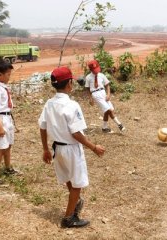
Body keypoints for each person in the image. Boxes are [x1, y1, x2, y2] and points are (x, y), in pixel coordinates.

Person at [39, 66, 105, 228]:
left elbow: (42, 126)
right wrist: (94, 147)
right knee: (77, 184)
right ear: (69, 83)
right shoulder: (72, 105)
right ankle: (69, 218)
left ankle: (74, 202)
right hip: (71, 149)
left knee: (69, 177)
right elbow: (76, 133)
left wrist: (46, 149)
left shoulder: (49, 103)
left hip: (57, 149)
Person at [85, 59, 125, 133]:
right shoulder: (88, 77)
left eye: (97, 69)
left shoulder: (101, 75)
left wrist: (108, 94)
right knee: (108, 110)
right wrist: (90, 98)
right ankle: (119, 124)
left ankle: (104, 128)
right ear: (90, 70)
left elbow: (107, 85)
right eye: (94, 70)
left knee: (108, 111)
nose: (96, 71)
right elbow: (87, 88)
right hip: (95, 94)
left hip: (103, 93)